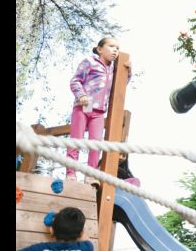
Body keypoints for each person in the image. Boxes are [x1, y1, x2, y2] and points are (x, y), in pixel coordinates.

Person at [66, 37, 131, 183]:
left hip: (99, 111)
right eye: (111, 46)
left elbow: (120, 86)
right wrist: (81, 95)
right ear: (100, 49)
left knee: (96, 144)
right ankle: (71, 174)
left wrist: (128, 71)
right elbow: (75, 81)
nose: (115, 50)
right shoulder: (90, 62)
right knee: (76, 139)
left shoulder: (114, 70)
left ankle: (91, 176)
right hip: (85, 105)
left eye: (118, 48)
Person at [18, 206, 94, 251]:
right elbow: (85, 237)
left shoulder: (39, 248)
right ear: (80, 234)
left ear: (52, 230)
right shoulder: (87, 247)